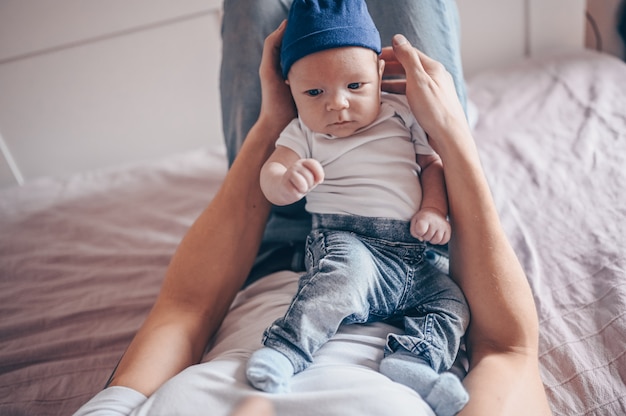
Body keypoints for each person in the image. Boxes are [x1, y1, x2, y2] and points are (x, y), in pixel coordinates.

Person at [74, 1, 553, 415]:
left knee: (252, 11)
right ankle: (409, 360)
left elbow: (184, 308)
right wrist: (451, 133)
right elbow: (508, 348)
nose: (339, 104)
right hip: (413, 248)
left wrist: (271, 123)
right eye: (320, 93)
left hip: (266, 251)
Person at [246, 2, 469, 415]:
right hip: (346, 241)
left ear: (380, 76)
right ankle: (287, 349)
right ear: (290, 91)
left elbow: (430, 165)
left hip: (413, 255)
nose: (337, 105)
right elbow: (271, 172)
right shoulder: (302, 132)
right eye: (314, 92)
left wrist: (434, 210)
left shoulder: (401, 113)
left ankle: (414, 360)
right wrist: (284, 181)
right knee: (344, 278)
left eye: (355, 86)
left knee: (452, 302)